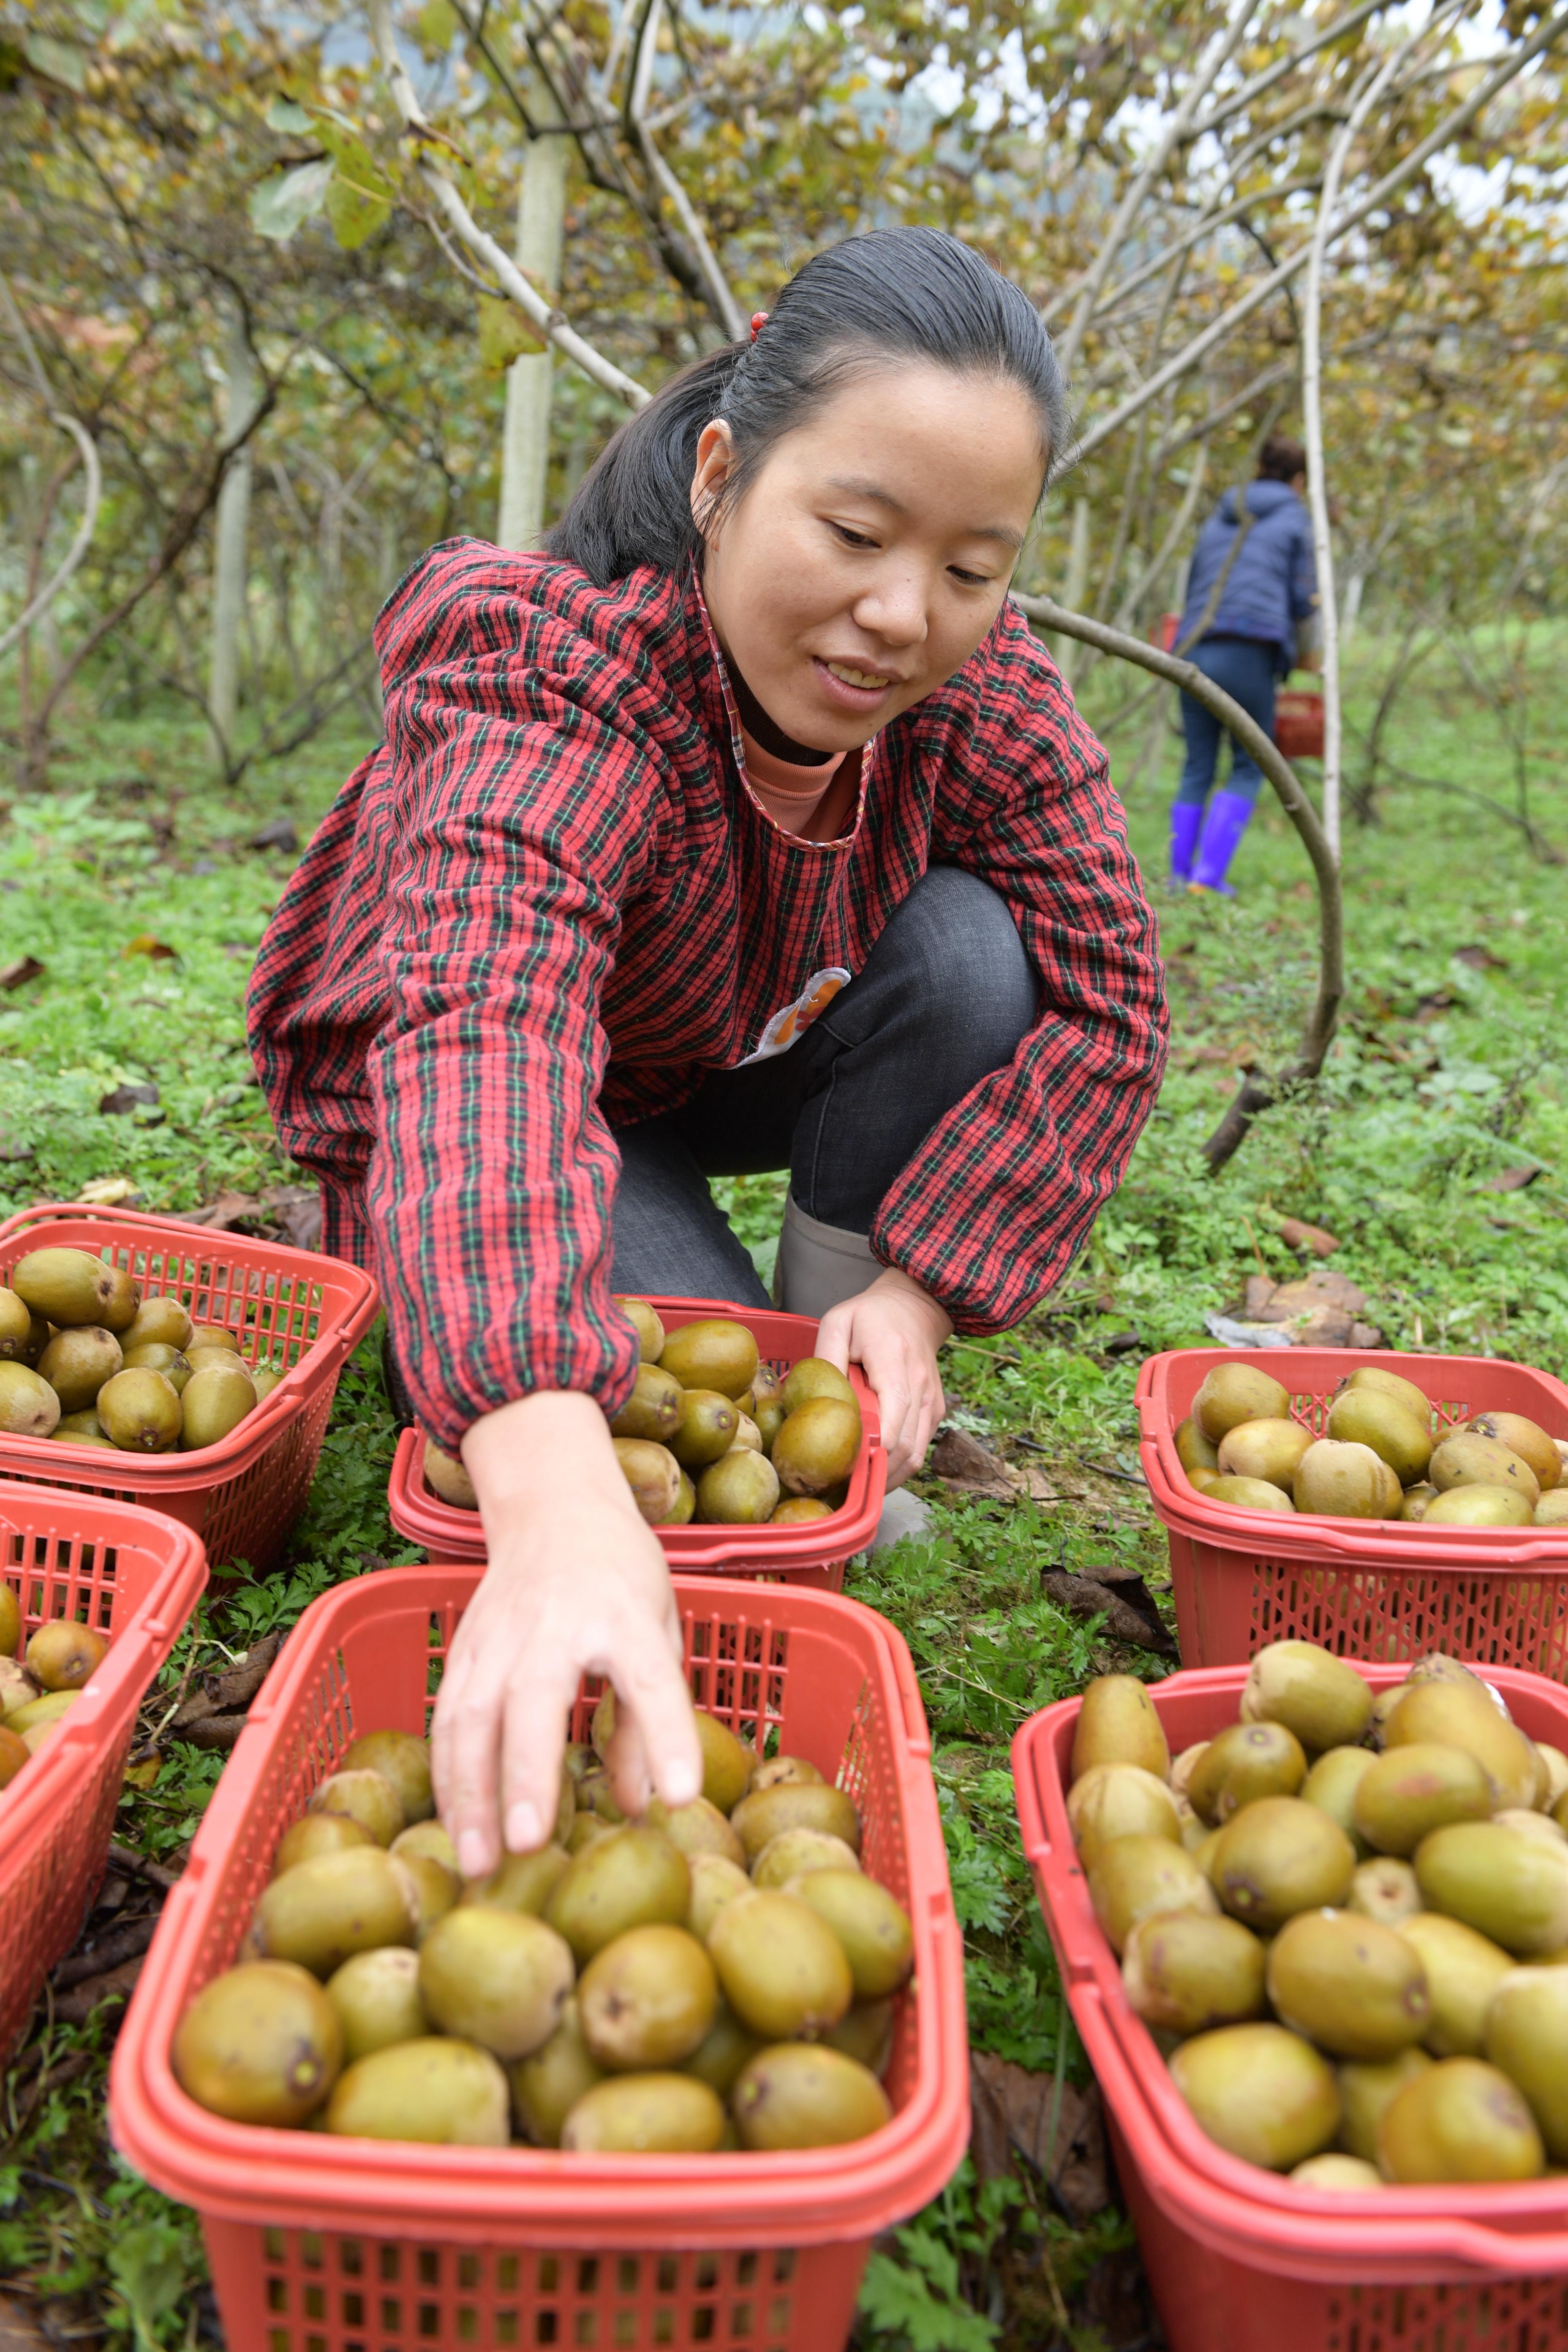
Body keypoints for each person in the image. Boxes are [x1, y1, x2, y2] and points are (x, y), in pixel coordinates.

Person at [247, 228, 1168, 1881]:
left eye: (972, 570)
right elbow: (486, 1024)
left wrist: (917, 1283)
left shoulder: (980, 701)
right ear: (724, 475)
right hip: (522, 1106)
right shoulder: (562, 670)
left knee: (970, 950)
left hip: (707, 1050)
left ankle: (840, 1362)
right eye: (855, 532)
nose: (902, 616)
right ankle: (626, 1361)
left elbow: (1110, 993)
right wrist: (540, 1476)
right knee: (568, 1398)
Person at [1170, 433, 1318, 896]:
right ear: (1298, 480)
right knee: (1249, 764)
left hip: (1194, 646)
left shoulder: (1219, 516)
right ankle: (1206, 879)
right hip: (1251, 649)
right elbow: (1302, 599)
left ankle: (1176, 877)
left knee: (1197, 763)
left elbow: (1194, 583)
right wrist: (1306, 647)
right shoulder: (1295, 519)